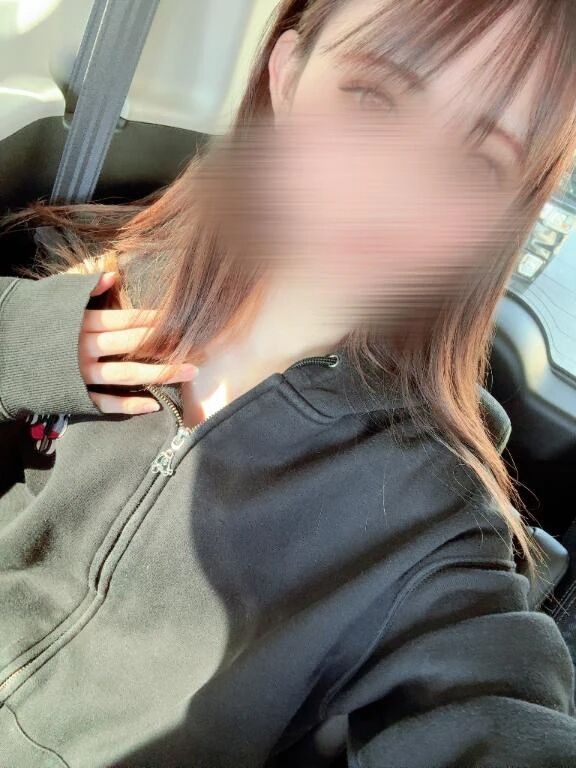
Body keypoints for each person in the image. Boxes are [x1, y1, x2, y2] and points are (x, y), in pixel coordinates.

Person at [1, 0, 575, 765]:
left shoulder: (436, 524)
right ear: (286, 74)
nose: (395, 191)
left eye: (477, 164)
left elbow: (492, 713)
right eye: (373, 98)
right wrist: (26, 340)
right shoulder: (123, 267)